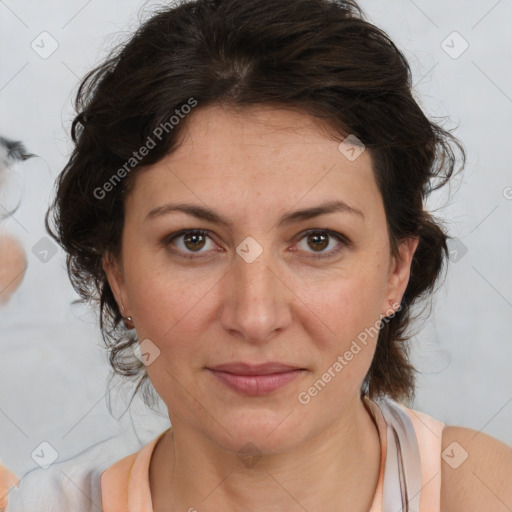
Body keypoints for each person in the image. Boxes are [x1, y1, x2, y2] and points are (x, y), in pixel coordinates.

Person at [7, 0, 512, 510]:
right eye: (193, 241)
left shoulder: (479, 491)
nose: (254, 317)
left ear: (396, 270)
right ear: (116, 273)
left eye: (319, 240)